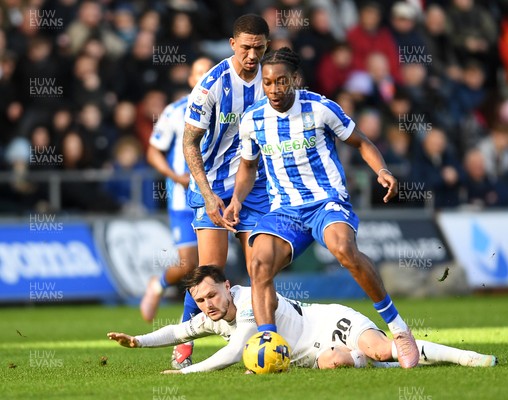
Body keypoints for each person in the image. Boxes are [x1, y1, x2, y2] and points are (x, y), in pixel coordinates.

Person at [222, 47, 419, 368]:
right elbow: (247, 166)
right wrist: (237, 200)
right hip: (285, 211)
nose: (274, 89)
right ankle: (269, 344)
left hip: (326, 201)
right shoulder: (253, 120)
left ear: (294, 80)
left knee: (344, 250)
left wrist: (381, 170)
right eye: (268, 82)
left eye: (281, 81)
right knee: (258, 265)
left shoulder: (320, 108)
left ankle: (398, 329)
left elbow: (362, 143)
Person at [107, 266, 497, 373]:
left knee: (382, 351)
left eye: (212, 294)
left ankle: (463, 357)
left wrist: (186, 374)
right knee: (336, 363)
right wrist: (139, 341)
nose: (208, 305)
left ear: (228, 286)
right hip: (312, 354)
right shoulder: (212, 315)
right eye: (201, 300)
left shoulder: (246, 305)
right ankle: (363, 359)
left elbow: (233, 353)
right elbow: (178, 330)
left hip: (328, 322)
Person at [178, 14, 271, 368]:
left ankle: (266, 339)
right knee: (209, 271)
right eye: (246, 47)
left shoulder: (271, 80)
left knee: (261, 267)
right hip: (213, 184)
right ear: (233, 44)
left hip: (256, 187)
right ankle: (184, 347)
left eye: (259, 48)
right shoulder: (211, 85)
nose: (252, 55)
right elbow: (190, 143)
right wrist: (206, 192)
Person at [140, 57, 215, 323]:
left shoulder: (226, 110)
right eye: (199, 72)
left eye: (209, 72)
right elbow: (153, 152)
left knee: (211, 264)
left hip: (216, 196)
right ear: (191, 80)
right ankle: (158, 284)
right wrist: (175, 177)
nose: (205, 76)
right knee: (188, 264)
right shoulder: (175, 111)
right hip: (183, 199)